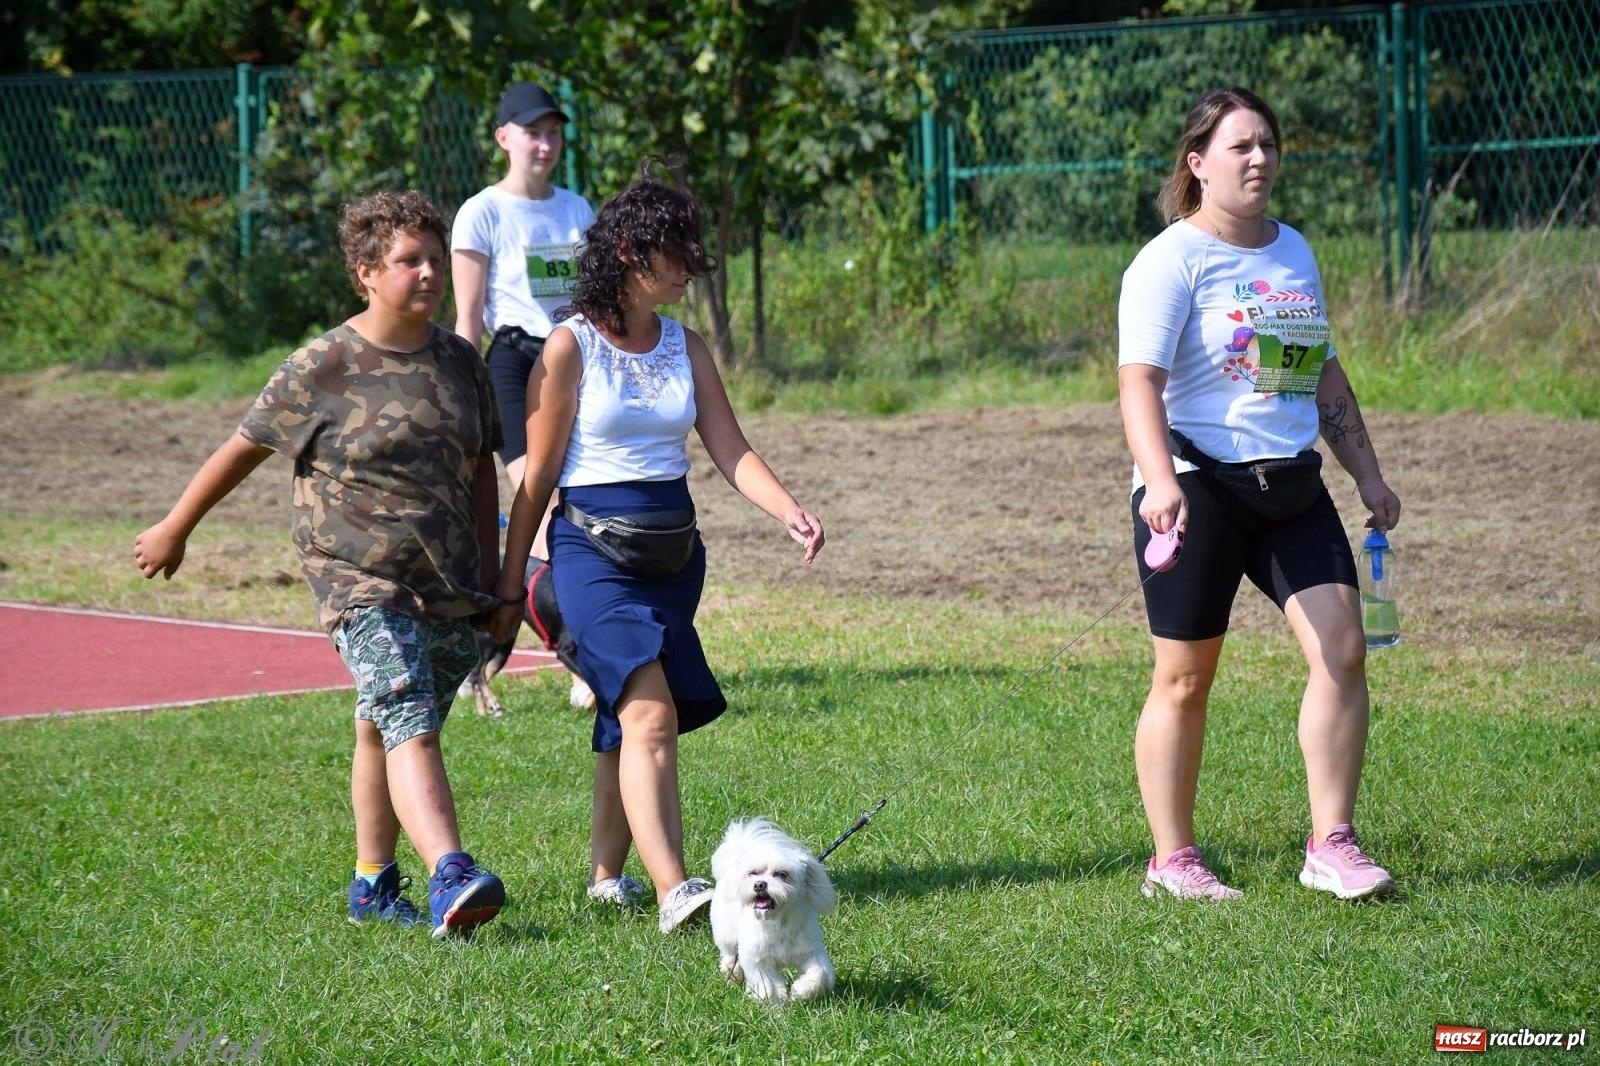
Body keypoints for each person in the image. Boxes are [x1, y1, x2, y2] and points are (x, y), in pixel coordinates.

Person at [134, 190, 508, 937]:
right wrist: (176, 526)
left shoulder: (463, 363)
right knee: (406, 709)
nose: (430, 273)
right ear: (366, 271)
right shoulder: (324, 365)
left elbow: (479, 473)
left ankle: (373, 887)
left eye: (436, 259)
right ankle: (452, 873)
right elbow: (244, 447)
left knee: (385, 723)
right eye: (409, 261)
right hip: (356, 576)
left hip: (447, 579)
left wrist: (497, 581)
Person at [490, 171, 824, 932]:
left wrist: (788, 510)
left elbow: (729, 446)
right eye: (679, 251)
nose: (692, 266)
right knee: (649, 715)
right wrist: (513, 585)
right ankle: (677, 887)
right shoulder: (568, 345)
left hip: (674, 560)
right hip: (590, 555)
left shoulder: (686, 344)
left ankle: (607, 877)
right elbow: (537, 475)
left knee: (624, 715)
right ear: (635, 253)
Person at [1116, 87, 1402, 902]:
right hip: (1198, 486)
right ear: (1198, 164)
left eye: (1268, 145)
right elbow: (1139, 382)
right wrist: (1161, 481)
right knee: (1184, 678)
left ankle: (1333, 844)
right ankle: (1173, 859)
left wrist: (1368, 474)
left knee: (1343, 650)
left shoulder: (1292, 252)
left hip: (1290, 483)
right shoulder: (1170, 260)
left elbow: (1314, 370)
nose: (1259, 159)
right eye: (1240, 147)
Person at [453, 81, 597, 710]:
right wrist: (459, 392)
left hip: (576, 358)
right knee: (537, 497)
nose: (545, 143)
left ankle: (580, 646)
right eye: (532, 131)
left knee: (580, 500)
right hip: (512, 363)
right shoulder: (481, 212)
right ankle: (573, 648)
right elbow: (466, 318)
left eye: (553, 131)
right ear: (503, 137)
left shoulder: (577, 210)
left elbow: (597, 302)